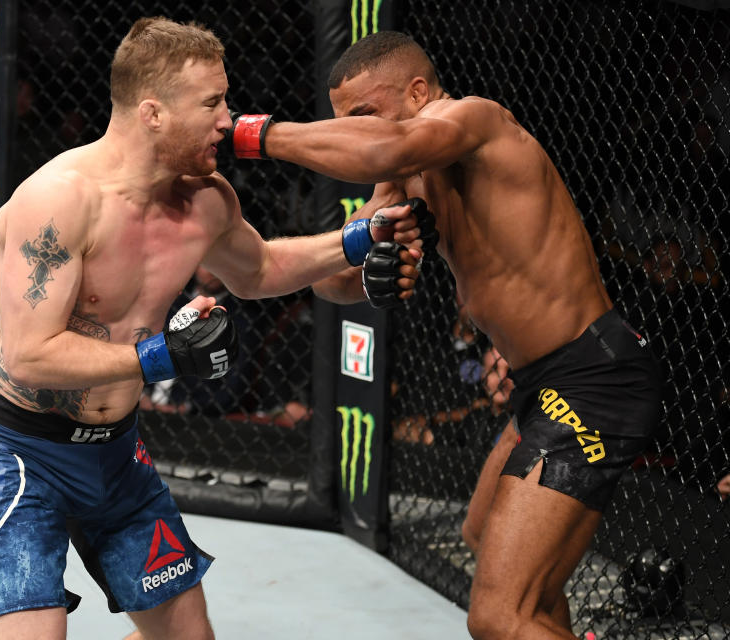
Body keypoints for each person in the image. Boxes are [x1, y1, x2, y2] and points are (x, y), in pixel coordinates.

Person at [0, 17, 418, 640]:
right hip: (23, 454)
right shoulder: (58, 202)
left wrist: (360, 238)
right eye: (212, 103)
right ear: (152, 113)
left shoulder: (206, 199)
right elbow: (30, 355)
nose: (229, 120)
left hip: (116, 452)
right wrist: (160, 356)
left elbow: (260, 270)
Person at [228, 31, 663, 639]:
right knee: (486, 540)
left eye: (362, 116)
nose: (352, 132)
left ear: (418, 91)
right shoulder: (404, 177)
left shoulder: (476, 121)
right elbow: (332, 281)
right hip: (543, 383)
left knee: (497, 617)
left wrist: (252, 133)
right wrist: (372, 275)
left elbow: (385, 147)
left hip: (592, 378)